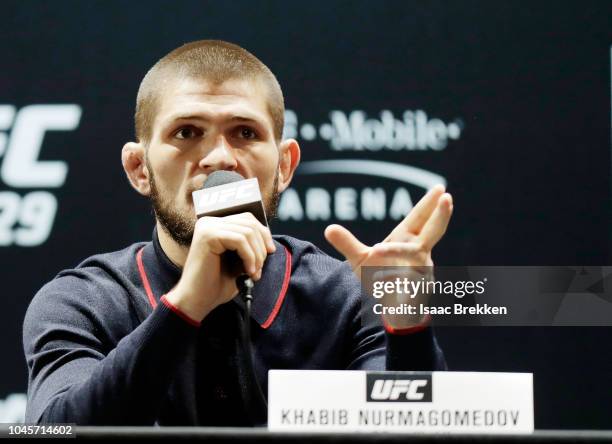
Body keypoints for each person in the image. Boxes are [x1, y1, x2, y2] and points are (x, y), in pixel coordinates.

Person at [23, 40, 453, 426]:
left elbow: (407, 428)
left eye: (244, 133)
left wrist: (409, 328)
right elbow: (56, 430)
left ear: (284, 165)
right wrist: (185, 308)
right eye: (186, 132)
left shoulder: (351, 294)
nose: (219, 158)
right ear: (139, 168)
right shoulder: (82, 301)